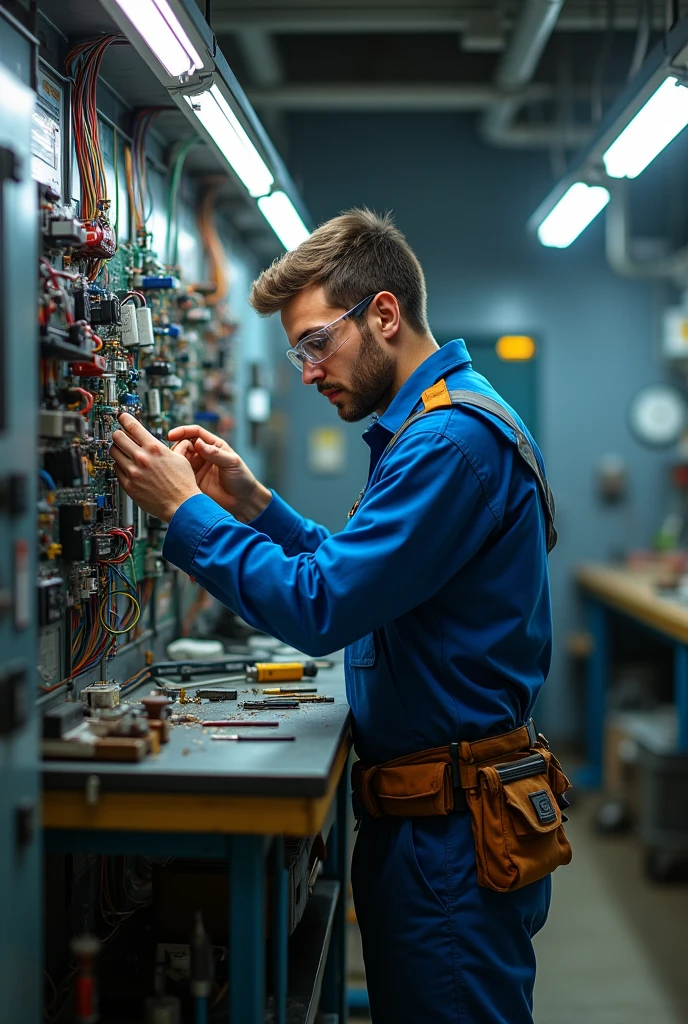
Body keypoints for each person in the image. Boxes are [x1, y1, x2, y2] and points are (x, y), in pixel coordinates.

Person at [111, 209, 558, 1024]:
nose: (308, 371)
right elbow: (361, 579)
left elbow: (323, 606)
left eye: (317, 342)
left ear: (383, 314)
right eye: (299, 352)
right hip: (430, 821)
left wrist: (186, 513)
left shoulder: (449, 443)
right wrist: (256, 506)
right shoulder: (435, 426)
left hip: (450, 836)